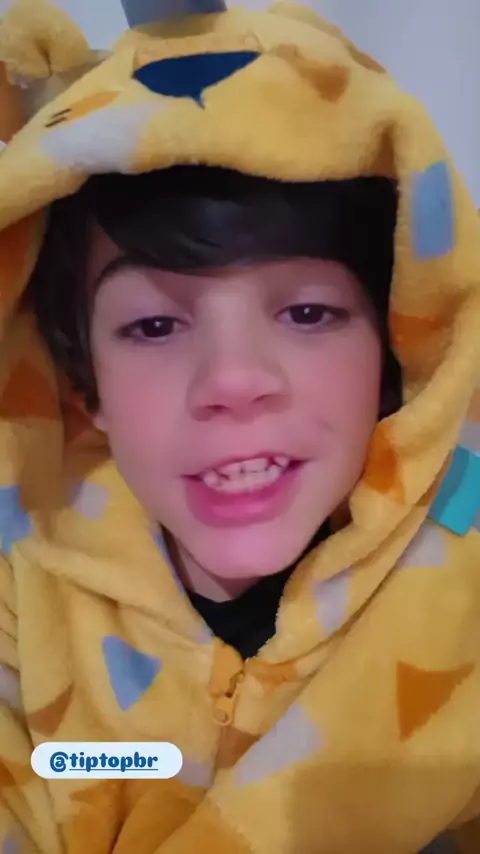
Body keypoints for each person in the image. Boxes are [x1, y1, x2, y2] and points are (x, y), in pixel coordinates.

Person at [0, 2, 479, 853]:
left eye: (307, 312)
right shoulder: (21, 589)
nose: (232, 382)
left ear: (397, 348)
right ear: (83, 385)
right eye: (154, 326)